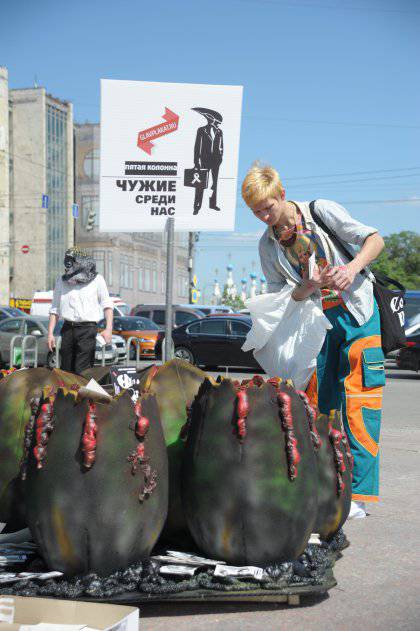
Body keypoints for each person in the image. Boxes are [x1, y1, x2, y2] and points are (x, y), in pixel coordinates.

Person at [242, 164, 386, 520]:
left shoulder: (321, 210)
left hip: (358, 313)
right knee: (318, 403)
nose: (263, 216)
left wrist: (350, 269)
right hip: (315, 323)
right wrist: (306, 287)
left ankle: (360, 495)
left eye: (267, 207)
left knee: (361, 400)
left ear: (282, 195)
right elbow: (283, 298)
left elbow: (375, 239)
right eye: (256, 211)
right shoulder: (267, 246)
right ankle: (325, 485)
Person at [47, 247, 114, 374]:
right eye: (67, 263)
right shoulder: (62, 281)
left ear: (81, 262)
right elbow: (54, 309)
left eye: (72, 263)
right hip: (67, 329)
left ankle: (84, 393)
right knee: (66, 370)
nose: (68, 267)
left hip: (87, 329)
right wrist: (50, 334)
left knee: (82, 370)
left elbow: (107, 305)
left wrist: (108, 328)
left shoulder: (97, 280)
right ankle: (70, 393)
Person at [192, 107, 224, 214]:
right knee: (200, 184)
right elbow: (197, 147)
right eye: (217, 122)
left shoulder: (219, 132)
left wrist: (220, 158)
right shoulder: (201, 130)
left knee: (214, 184)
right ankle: (197, 206)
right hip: (204, 161)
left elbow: (221, 146)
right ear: (212, 120)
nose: (219, 124)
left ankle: (213, 204)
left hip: (215, 161)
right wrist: (197, 162)